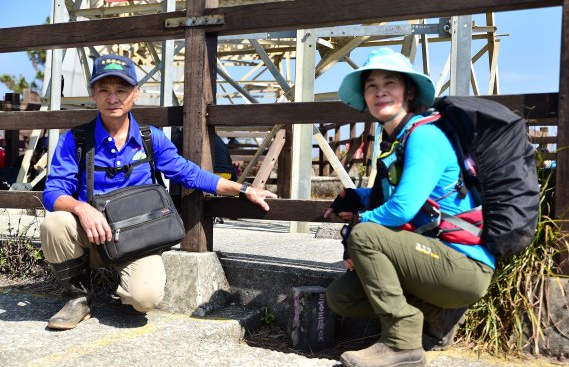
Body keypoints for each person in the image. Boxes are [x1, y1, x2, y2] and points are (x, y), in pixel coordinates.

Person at [40, 54, 276, 330]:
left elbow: (190, 174)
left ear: (136, 93)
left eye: (121, 90)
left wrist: (243, 189)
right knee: (55, 223)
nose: (112, 98)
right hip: (91, 235)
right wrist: (82, 208)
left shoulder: (151, 139)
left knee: (145, 299)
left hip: (136, 241)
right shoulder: (76, 140)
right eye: (104, 89)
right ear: (93, 93)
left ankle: (122, 283)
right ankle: (77, 298)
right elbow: (52, 192)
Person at [323, 48, 495, 367]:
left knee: (365, 236)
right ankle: (438, 315)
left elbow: (402, 210)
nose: (380, 91)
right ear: (364, 95)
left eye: (390, 83)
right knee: (341, 296)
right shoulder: (398, 141)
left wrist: (361, 222)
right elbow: (404, 195)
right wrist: (356, 197)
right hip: (429, 257)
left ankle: (402, 343)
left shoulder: (425, 136)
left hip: (463, 265)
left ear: (409, 91)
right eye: (371, 85)